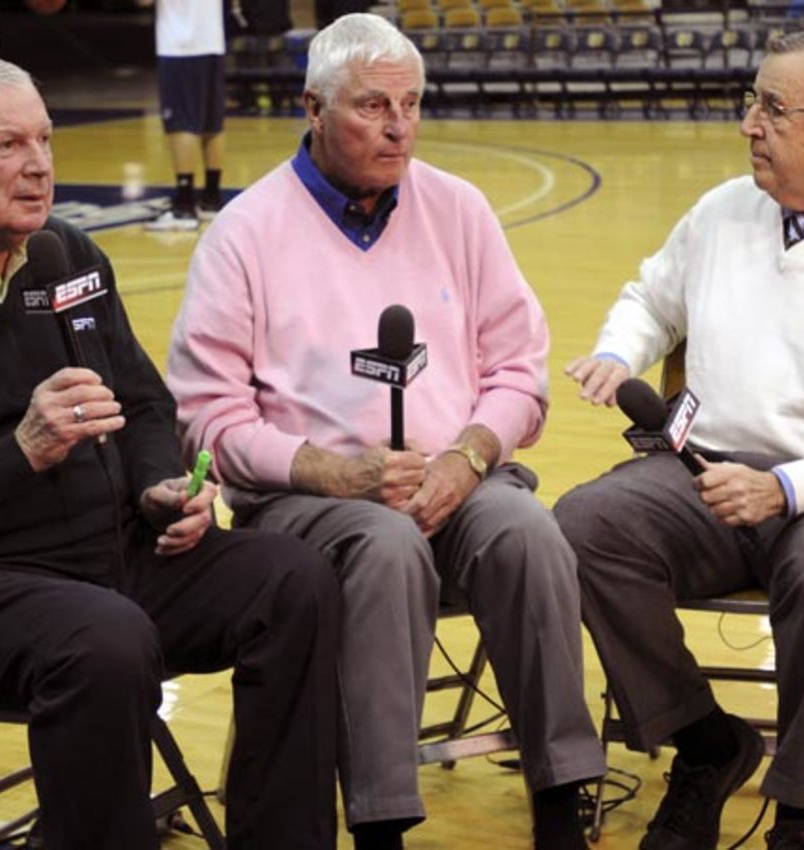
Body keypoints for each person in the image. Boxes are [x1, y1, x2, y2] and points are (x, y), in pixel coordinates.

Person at [0, 55, 339, 850]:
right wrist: (19, 452)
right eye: (6, 145)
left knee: (293, 579)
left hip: (110, 559)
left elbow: (145, 403)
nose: (40, 165)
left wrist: (159, 485)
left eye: (44, 139)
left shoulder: (68, 258)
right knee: (104, 642)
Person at [166, 13, 606, 850]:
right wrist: (330, 472)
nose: (398, 125)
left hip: (459, 479)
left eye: (411, 104)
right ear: (314, 107)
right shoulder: (245, 233)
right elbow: (207, 418)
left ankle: (563, 792)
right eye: (373, 106)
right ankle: (381, 819)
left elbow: (520, 371)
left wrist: (470, 456)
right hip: (309, 499)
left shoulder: (460, 210)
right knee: (385, 546)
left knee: (527, 532)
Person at [553, 29, 804, 850]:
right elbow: (650, 297)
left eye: (773, 108)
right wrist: (616, 349)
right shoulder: (721, 211)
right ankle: (706, 742)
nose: (749, 123)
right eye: (752, 101)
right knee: (579, 527)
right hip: (708, 477)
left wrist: (786, 489)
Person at [146, 0, 227, 232]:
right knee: (212, 123)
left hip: (181, 43)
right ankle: (211, 198)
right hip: (212, 39)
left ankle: (184, 205)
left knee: (182, 122)